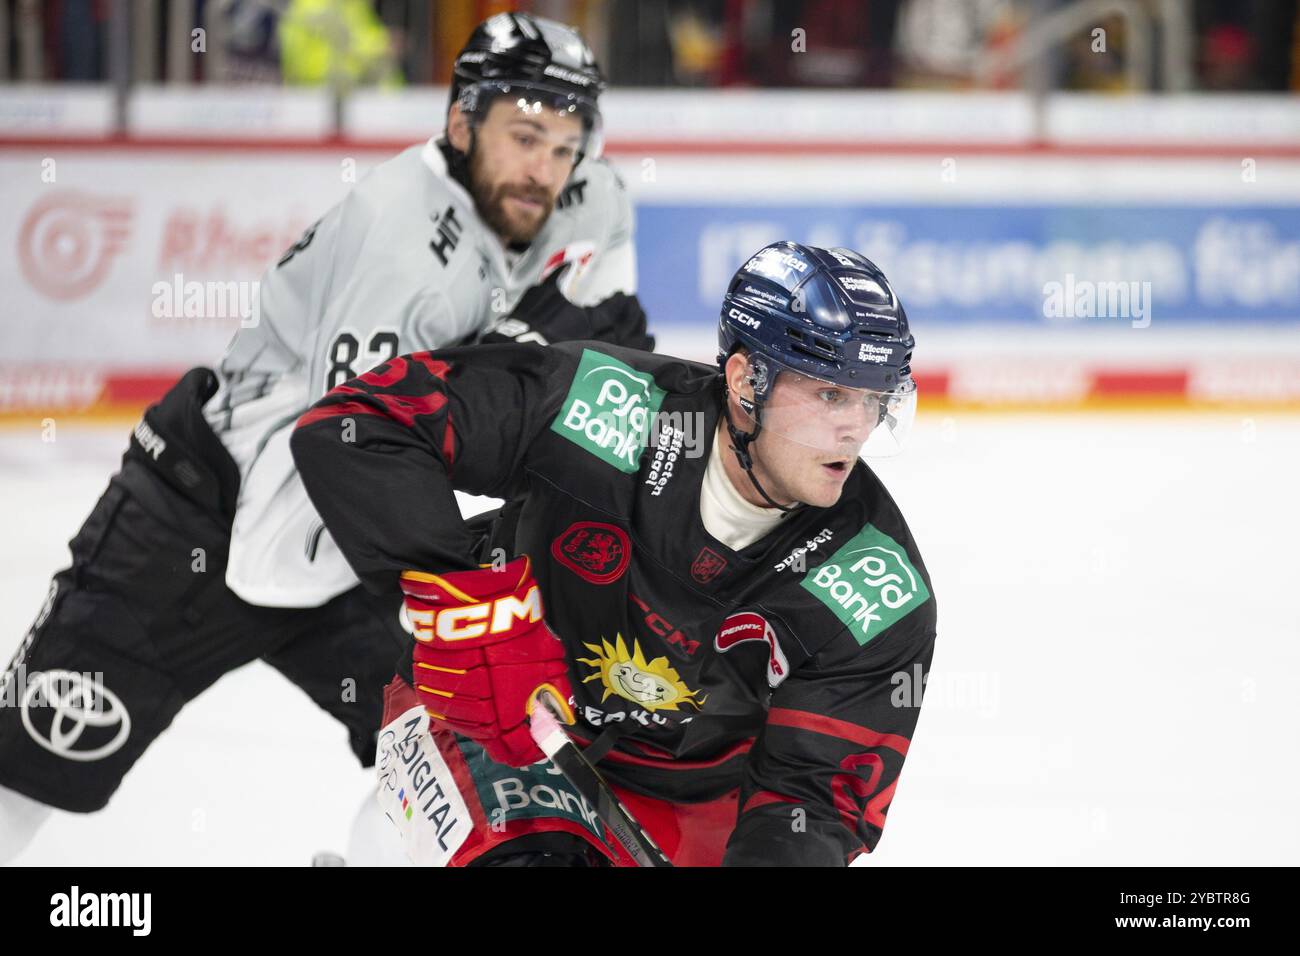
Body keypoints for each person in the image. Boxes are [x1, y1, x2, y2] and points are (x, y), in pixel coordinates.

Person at [0, 11, 651, 863]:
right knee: (33, 765)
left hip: (359, 547)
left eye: (565, 146)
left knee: (473, 760)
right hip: (201, 522)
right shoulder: (403, 250)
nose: (546, 170)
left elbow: (610, 349)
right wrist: (513, 373)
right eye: (524, 137)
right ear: (461, 123)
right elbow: (341, 456)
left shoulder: (588, 197)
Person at [290, 242, 937, 866]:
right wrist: (467, 606)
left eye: (874, 398)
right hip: (489, 718)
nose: (857, 426)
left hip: (691, 793)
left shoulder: (878, 589)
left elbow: (810, 798)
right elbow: (361, 426)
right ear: (746, 381)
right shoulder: (604, 407)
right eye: (831, 393)